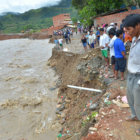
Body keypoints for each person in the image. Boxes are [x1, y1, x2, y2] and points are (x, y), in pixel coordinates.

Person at [123, 14, 140, 136]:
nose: (127, 33)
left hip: (138, 78)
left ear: (138, 26)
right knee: (131, 99)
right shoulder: (134, 38)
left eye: (129, 29)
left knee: (139, 102)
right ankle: (134, 116)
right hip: (131, 75)